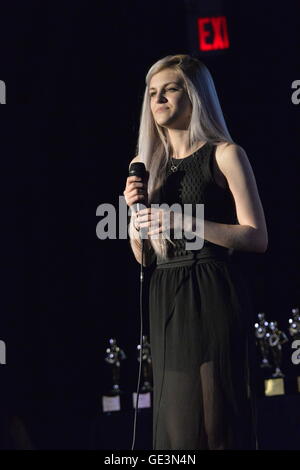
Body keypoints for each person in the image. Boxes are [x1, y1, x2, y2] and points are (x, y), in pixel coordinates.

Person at [123, 54, 268, 450]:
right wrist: (133, 215)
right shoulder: (145, 165)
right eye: (152, 93)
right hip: (166, 293)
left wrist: (184, 222)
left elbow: (256, 238)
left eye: (170, 89)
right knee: (178, 428)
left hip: (211, 289)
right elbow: (143, 257)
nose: (159, 99)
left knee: (217, 421)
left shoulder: (225, 153)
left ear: (196, 96)